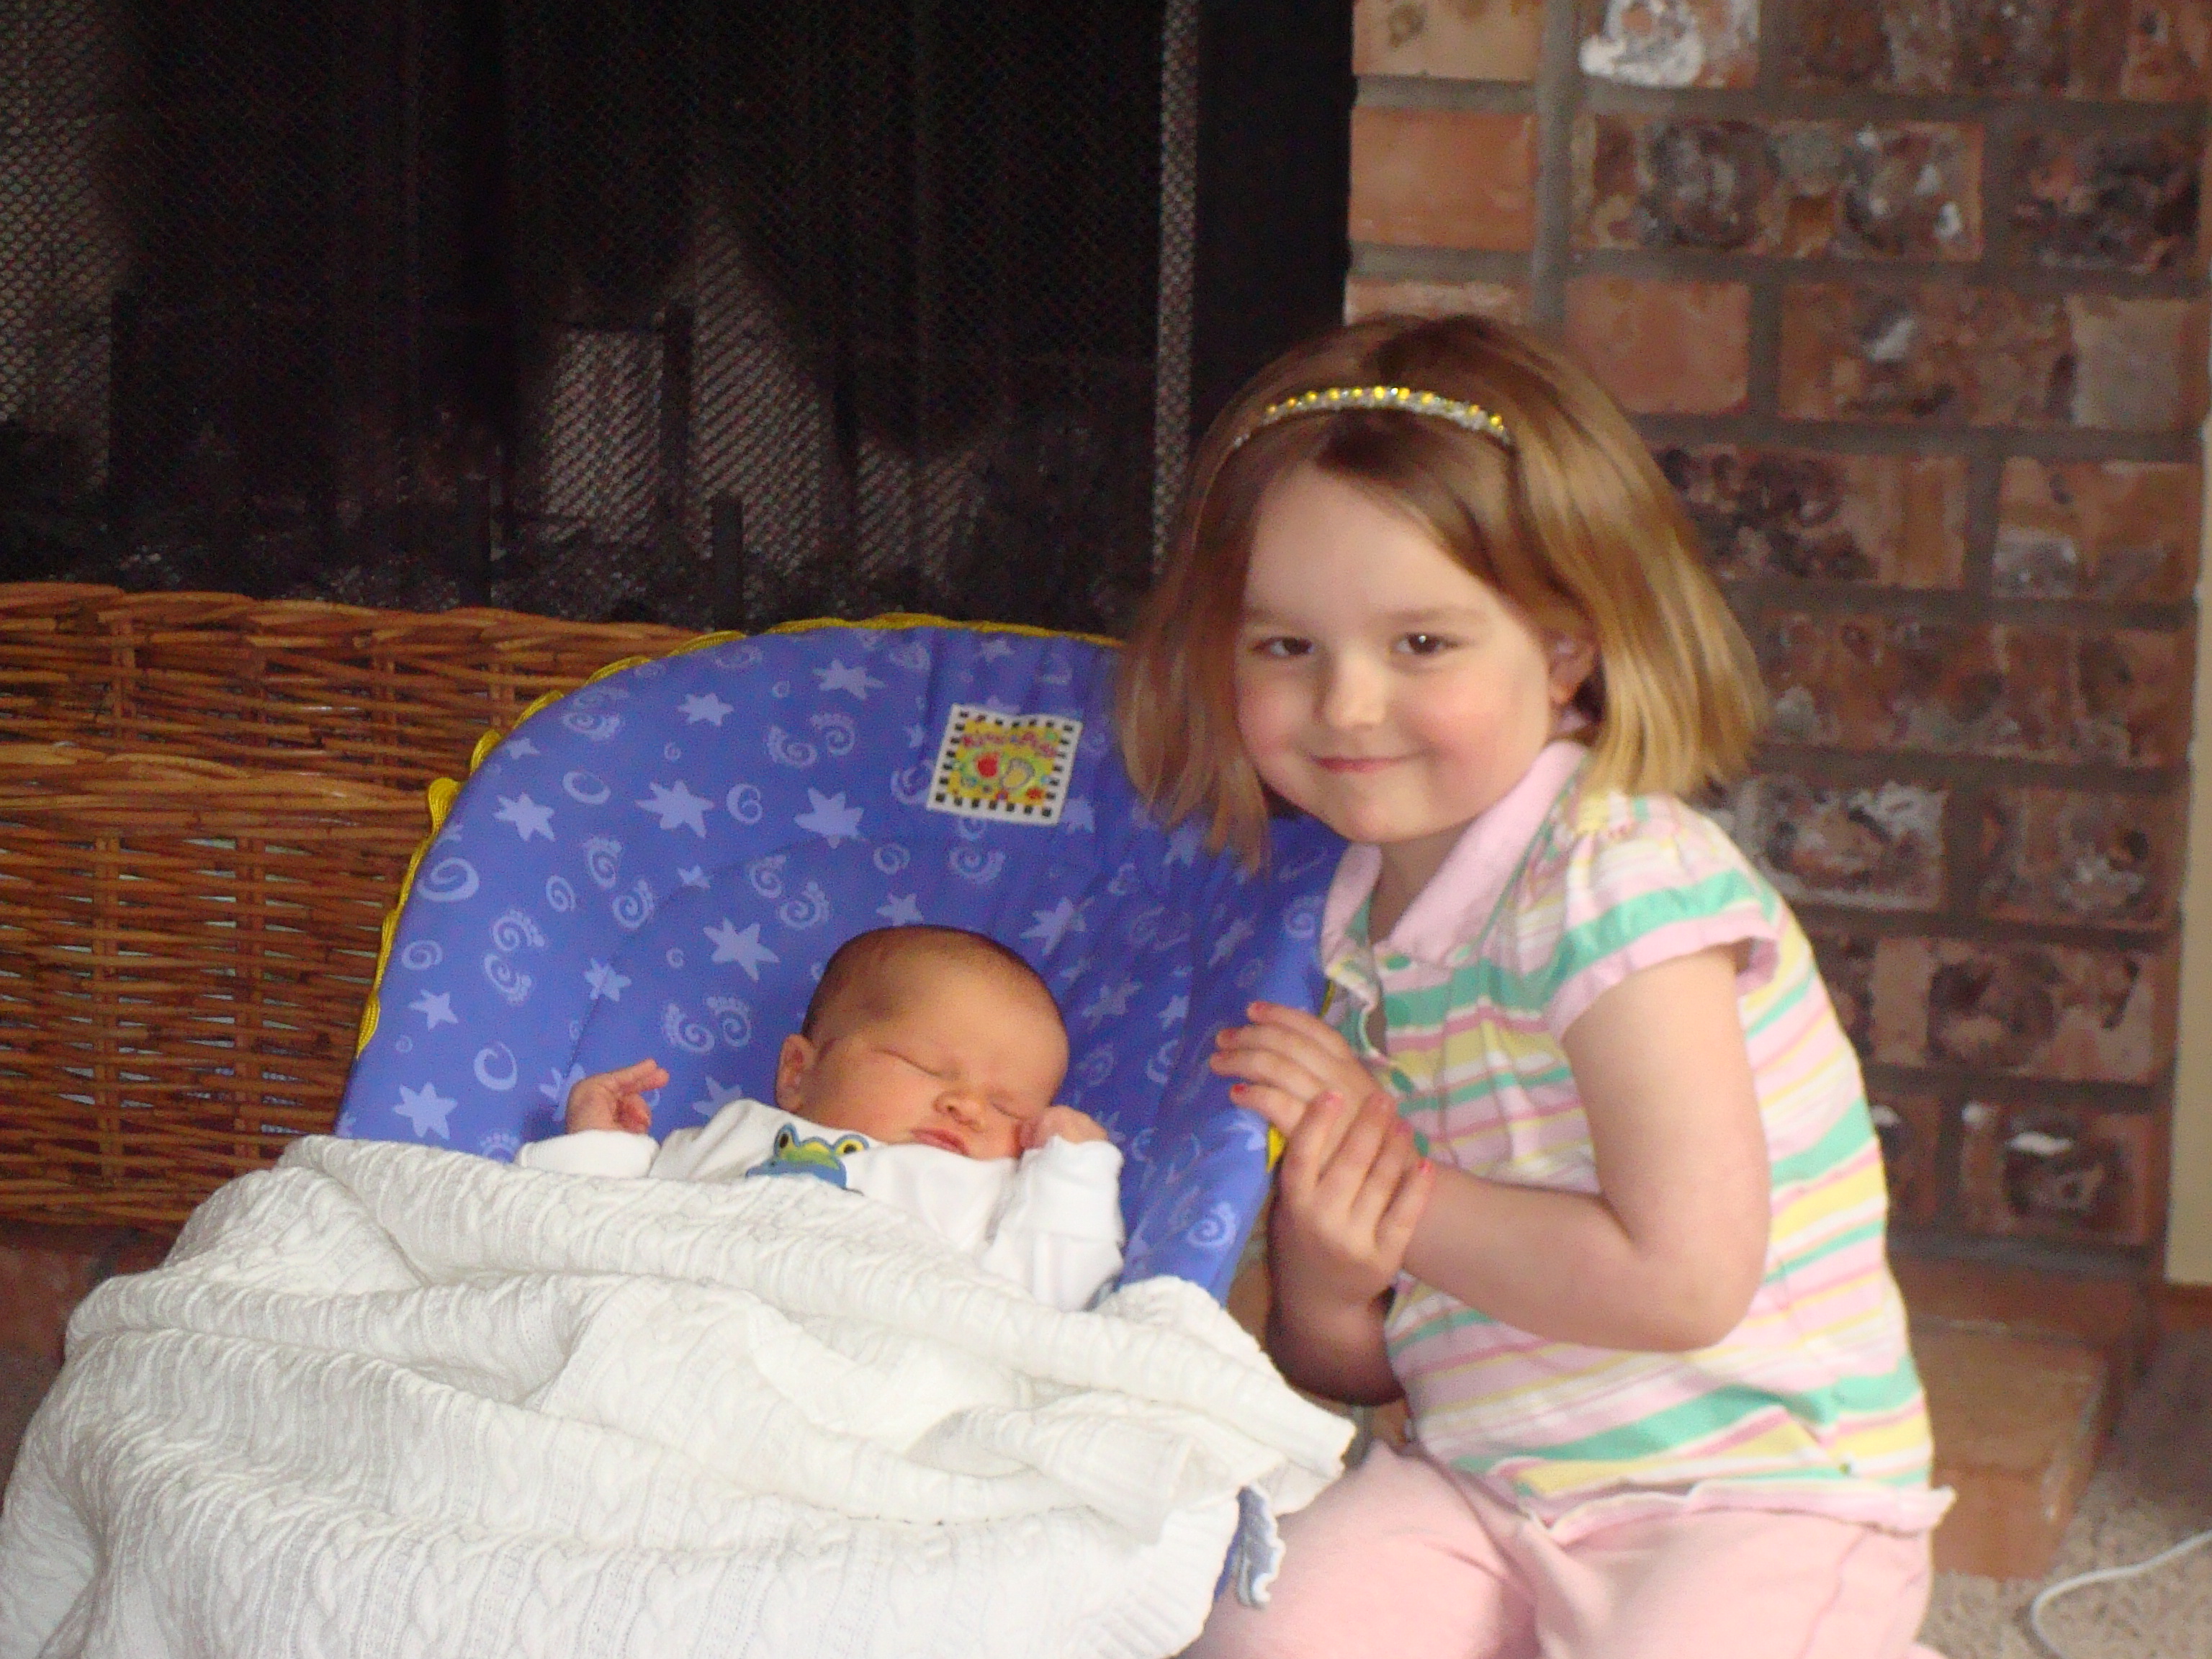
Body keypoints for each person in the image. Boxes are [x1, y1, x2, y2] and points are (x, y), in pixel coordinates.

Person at [1116, 315, 1950, 1658]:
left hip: (1755, 1494)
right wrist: (1332, 1270)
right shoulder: (1336, 922)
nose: (1346, 703)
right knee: (1255, 1636)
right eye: (1284, 647)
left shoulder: (1618, 884)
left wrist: (1399, 1191)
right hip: (1486, 1485)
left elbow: (1683, 1277)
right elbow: (1350, 1367)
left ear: (1565, 648)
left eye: (1421, 643)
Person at [516, 925, 1125, 1312]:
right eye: (925, 1066)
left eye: (1007, 1107)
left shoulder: (996, 1193)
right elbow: (594, 1228)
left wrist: (1074, 1174)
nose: (966, 1107)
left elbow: (1047, 1304)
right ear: (798, 1073)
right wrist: (598, 1143)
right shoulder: (736, 1134)